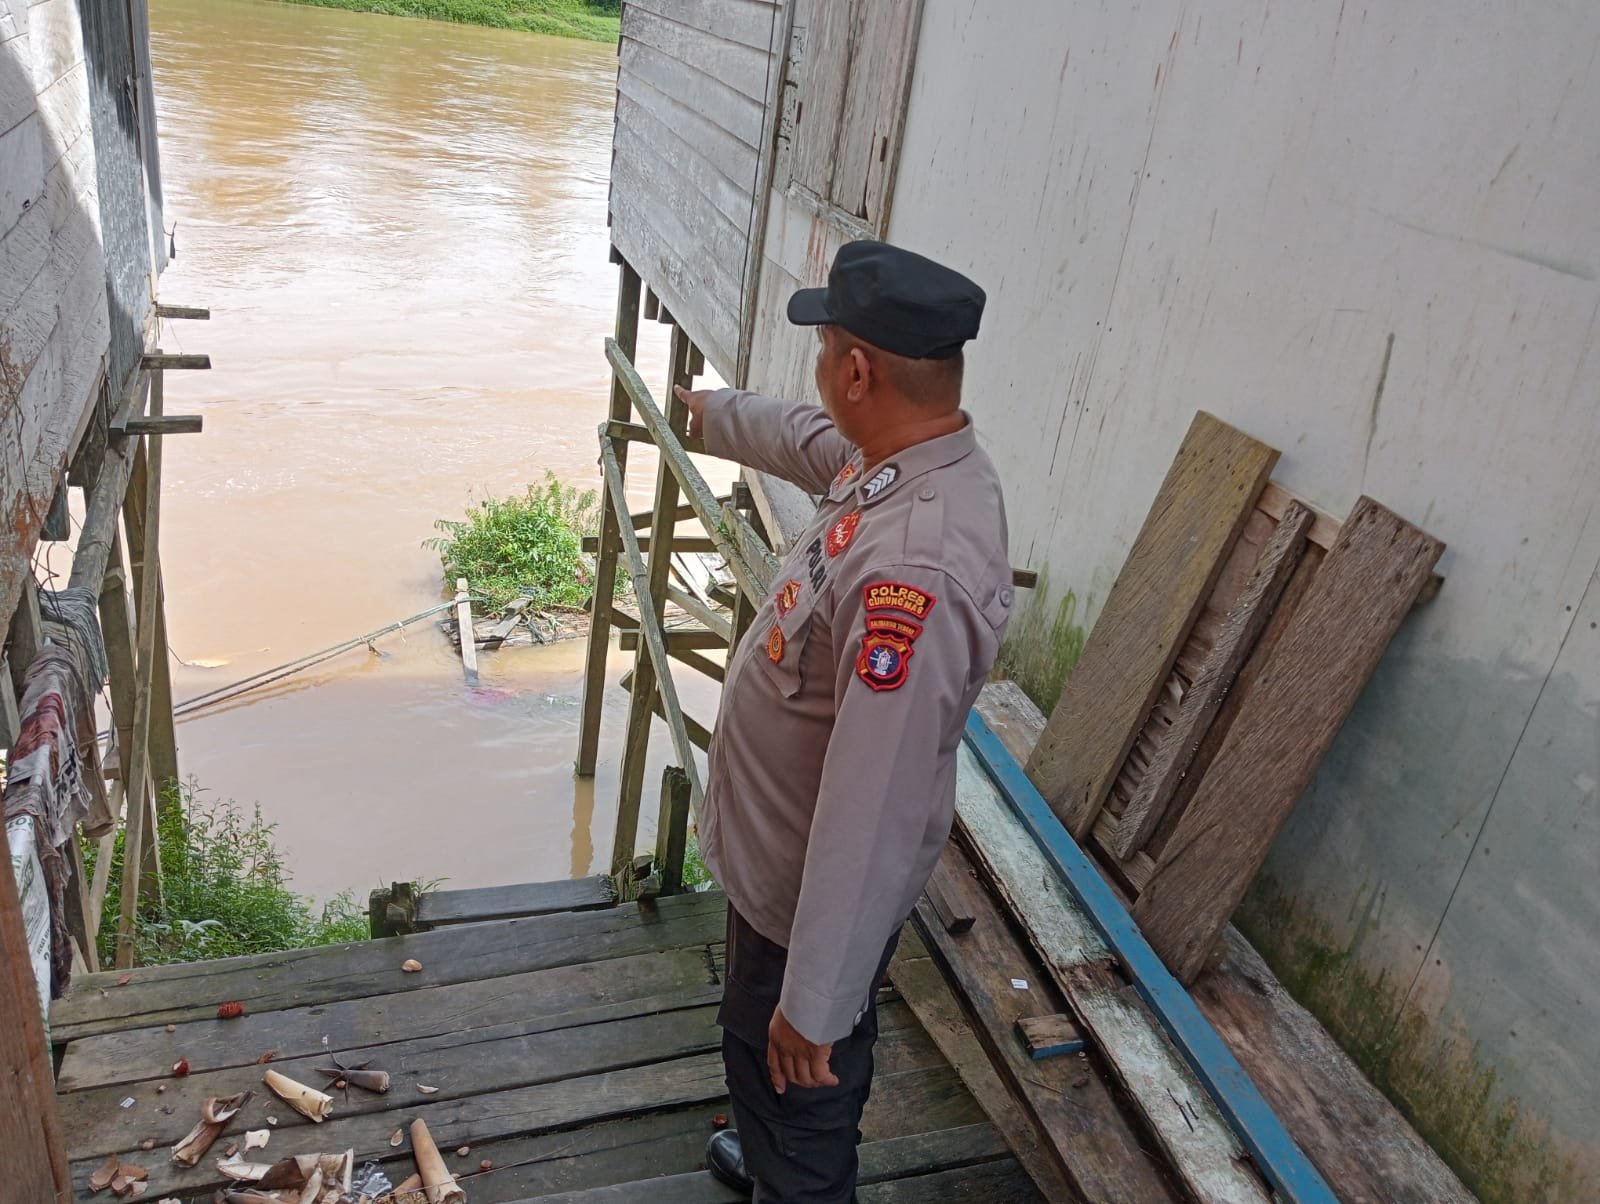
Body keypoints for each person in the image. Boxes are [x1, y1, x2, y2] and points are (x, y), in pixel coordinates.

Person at [675, 240, 1012, 1203]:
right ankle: (774, 1145)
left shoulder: (917, 566)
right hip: (777, 873)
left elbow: (873, 809)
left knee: (797, 1074)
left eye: (824, 351)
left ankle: (798, 1175)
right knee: (763, 1061)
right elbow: (809, 441)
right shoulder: (899, 459)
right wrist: (716, 417)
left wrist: (814, 1004)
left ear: (855, 371)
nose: (819, 372)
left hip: (806, 902)